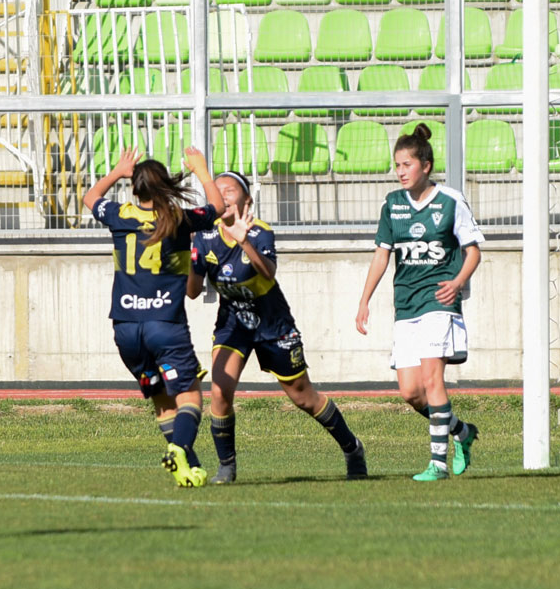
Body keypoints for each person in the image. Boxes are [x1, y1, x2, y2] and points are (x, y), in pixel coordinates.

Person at [188, 170, 367, 483]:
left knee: (303, 398)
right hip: (233, 324)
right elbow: (191, 291)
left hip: (272, 324)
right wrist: (187, 259)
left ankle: (352, 447)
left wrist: (244, 242)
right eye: (218, 191)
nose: (224, 196)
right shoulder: (204, 237)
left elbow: (268, 273)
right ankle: (226, 467)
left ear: (248, 199)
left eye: (230, 190)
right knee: (219, 391)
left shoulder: (260, 233)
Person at [83, 147, 225, 487]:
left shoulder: (119, 215)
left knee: (162, 401)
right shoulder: (177, 218)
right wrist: (202, 171)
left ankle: (188, 468)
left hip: (126, 329)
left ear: (135, 189)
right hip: (165, 326)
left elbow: (90, 197)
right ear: (165, 188)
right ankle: (179, 449)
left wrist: (117, 170)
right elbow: (218, 208)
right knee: (190, 397)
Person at [355, 123, 484, 482]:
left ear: (425, 166)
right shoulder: (393, 205)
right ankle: (462, 432)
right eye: (397, 165)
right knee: (411, 392)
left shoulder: (450, 201)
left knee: (431, 378)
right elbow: (382, 255)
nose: (400, 172)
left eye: (406, 165)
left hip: (438, 300)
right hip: (406, 304)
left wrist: (458, 282)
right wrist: (364, 301)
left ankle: (438, 465)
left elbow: (473, 252)